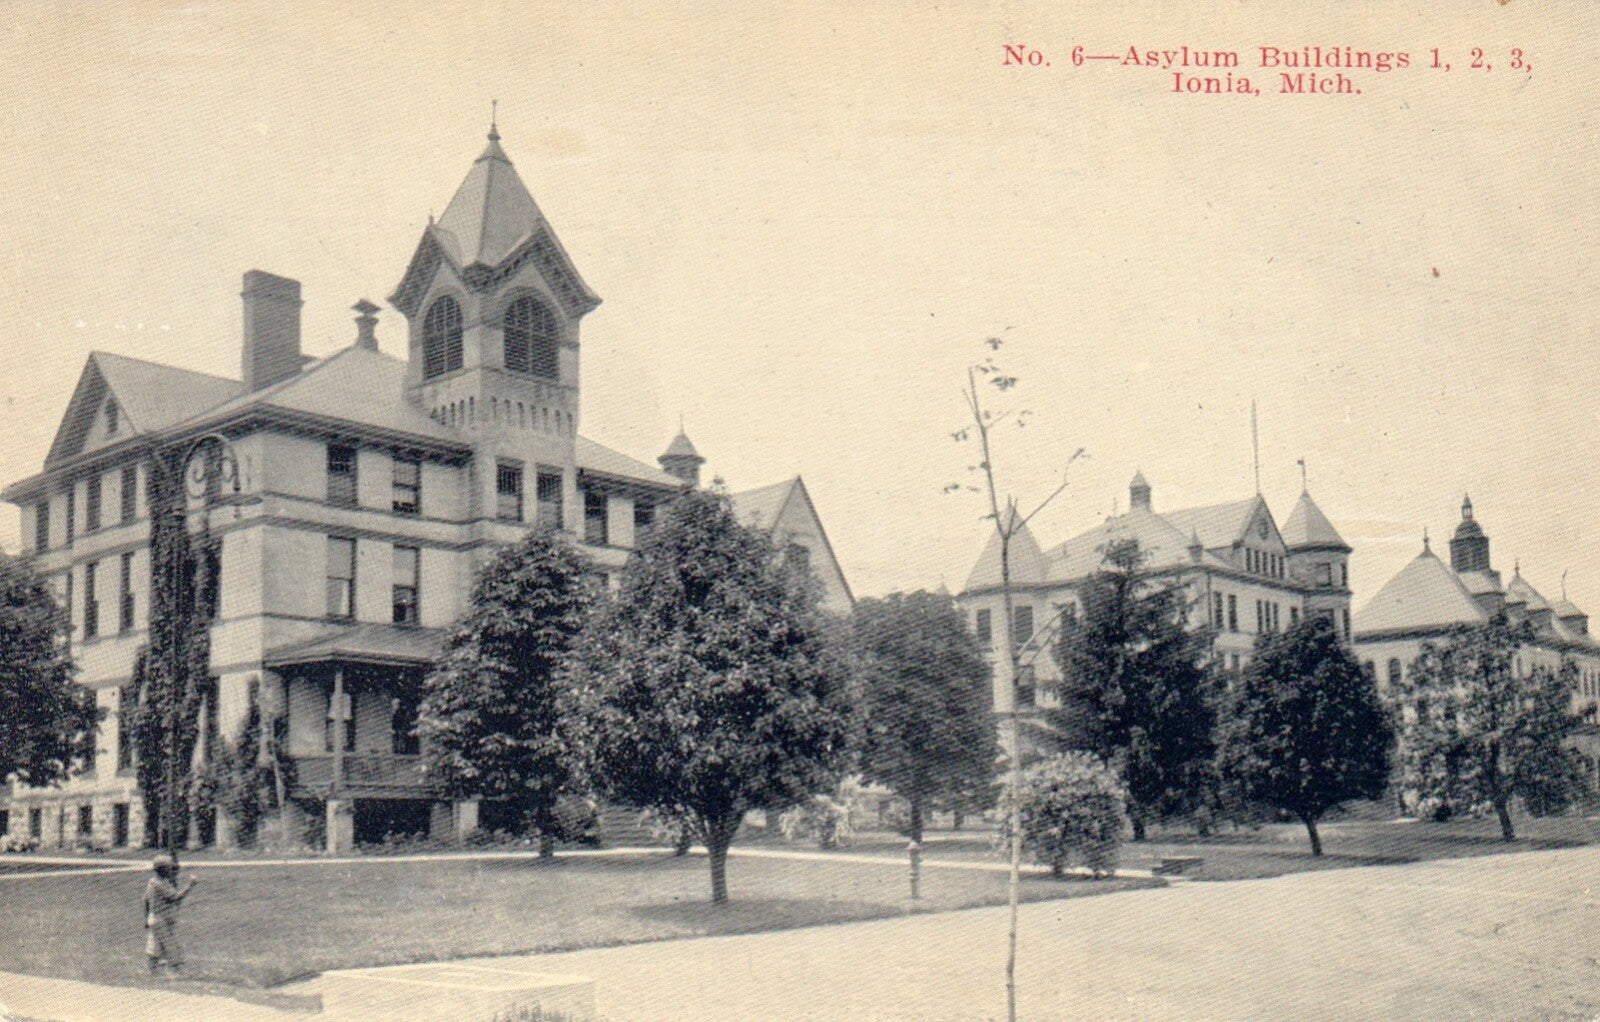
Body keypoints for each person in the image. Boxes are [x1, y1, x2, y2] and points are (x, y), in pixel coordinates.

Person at [144, 853, 197, 978]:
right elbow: (175, 897)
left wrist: (146, 918)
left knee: (154, 946)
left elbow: (145, 900)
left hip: (155, 918)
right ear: (163, 870)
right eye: (169, 868)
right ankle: (174, 971)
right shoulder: (160, 884)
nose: (171, 870)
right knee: (170, 945)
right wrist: (190, 885)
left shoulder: (152, 882)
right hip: (161, 919)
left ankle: (153, 972)